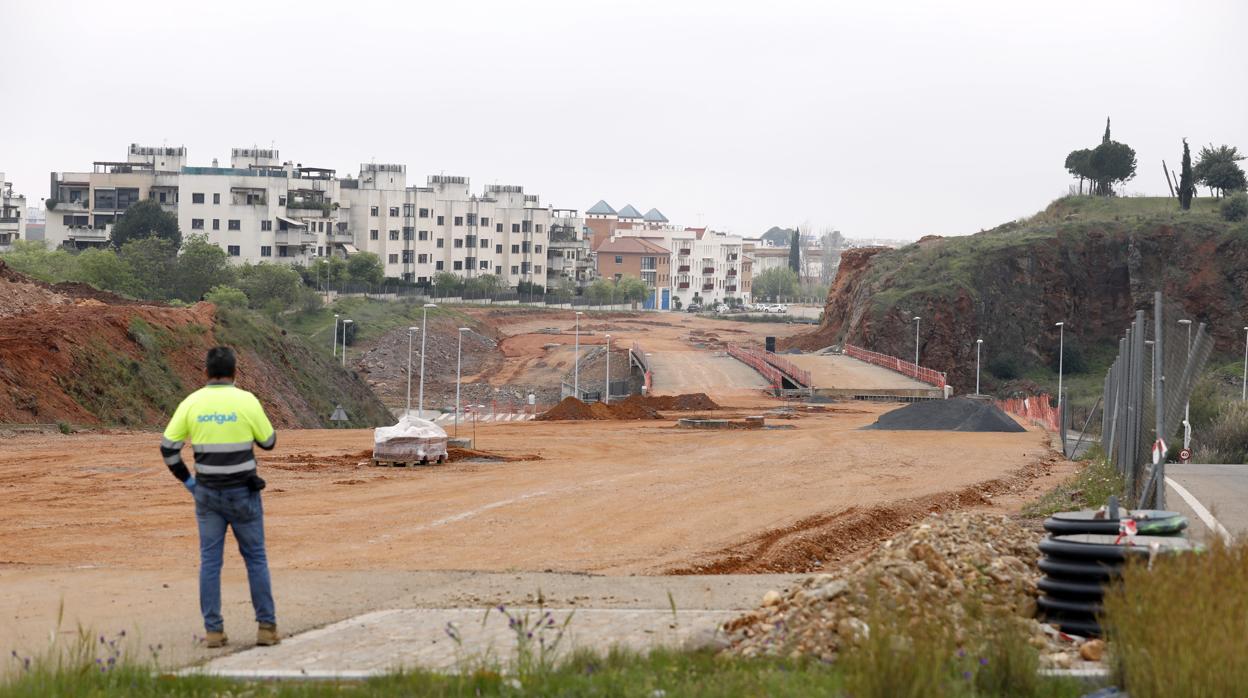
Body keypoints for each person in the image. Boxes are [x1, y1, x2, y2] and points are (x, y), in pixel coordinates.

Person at [159, 346, 280, 648]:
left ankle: (214, 631)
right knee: (255, 559)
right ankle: (266, 628)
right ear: (235, 372)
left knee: (210, 562)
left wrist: (188, 482)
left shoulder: (192, 403)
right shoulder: (247, 401)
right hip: (244, 494)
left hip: (207, 495)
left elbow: (168, 449)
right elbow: (269, 442)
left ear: (205, 372)